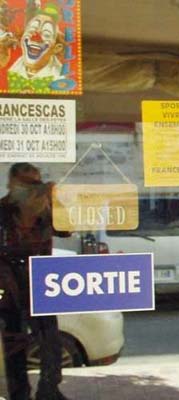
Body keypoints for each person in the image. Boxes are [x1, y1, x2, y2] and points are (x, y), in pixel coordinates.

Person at [0, 163, 69, 400]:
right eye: (27, 184)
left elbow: (67, 229)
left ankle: (49, 390)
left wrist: (55, 200)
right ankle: (19, 394)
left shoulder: (44, 210)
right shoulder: (3, 210)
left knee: (50, 340)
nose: (31, 190)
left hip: (41, 281)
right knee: (15, 344)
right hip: (10, 284)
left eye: (36, 184)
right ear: (13, 183)